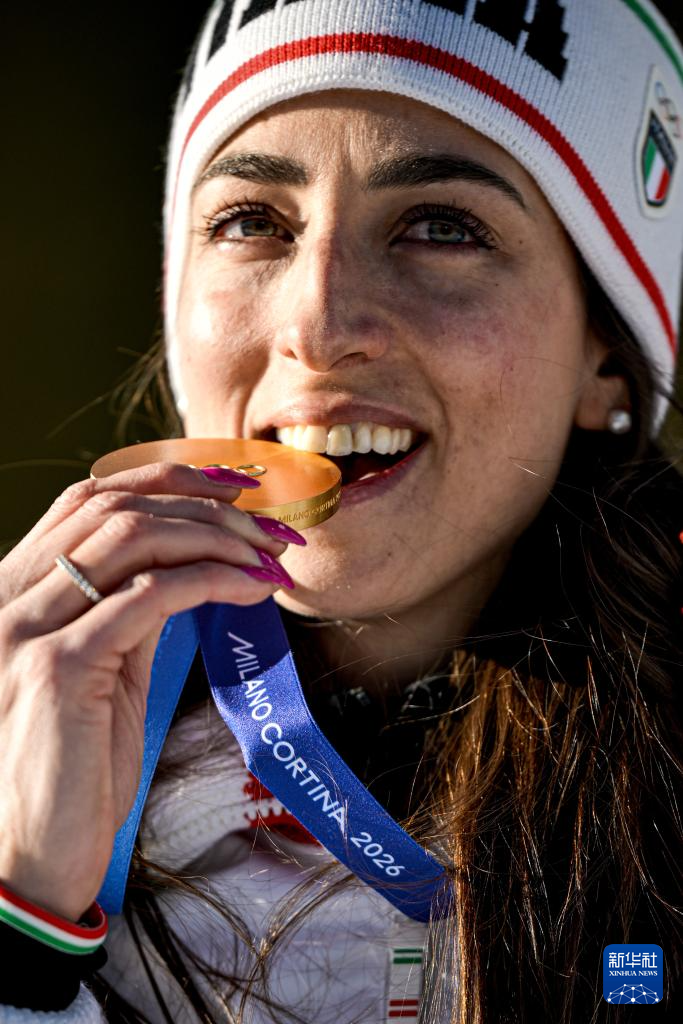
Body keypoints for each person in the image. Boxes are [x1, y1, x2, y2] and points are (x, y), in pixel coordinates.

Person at [0, 0, 681, 1021]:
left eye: (441, 227)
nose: (316, 323)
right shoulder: (23, 722)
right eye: (250, 222)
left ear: (606, 355)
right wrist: (22, 927)